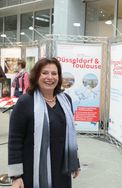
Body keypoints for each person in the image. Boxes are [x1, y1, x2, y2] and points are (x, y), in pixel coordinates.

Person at [8, 58, 80, 188]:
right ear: (36, 76)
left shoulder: (66, 100)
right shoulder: (25, 102)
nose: (50, 77)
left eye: (54, 73)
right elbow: (15, 140)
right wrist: (16, 176)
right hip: (33, 168)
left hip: (61, 168)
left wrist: (75, 161)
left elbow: (70, 136)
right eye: (45, 73)